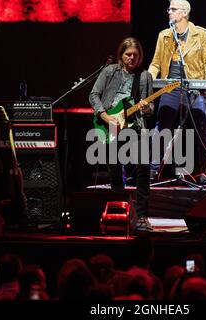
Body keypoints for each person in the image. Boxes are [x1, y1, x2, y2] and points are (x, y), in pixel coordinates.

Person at [148, 0, 206, 186]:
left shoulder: (200, 34)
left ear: (184, 13)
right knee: (161, 129)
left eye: (173, 9)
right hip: (170, 88)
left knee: (201, 129)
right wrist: (149, 80)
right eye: (169, 8)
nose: (168, 11)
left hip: (194, 89)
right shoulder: (164, 35)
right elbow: (155, 63)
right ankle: (152, 169)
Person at [89, 37, 154, 232]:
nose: (131, 58)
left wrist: (146, 108)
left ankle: (142, 216)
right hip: (111, 124)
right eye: (128, 54)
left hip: (136, 126)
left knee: (143, 169)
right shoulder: (109, 72)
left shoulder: (145, 77)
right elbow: (94, 94)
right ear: (121, 55)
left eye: (135, 55)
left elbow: (150, 106)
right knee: (115, 171)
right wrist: (105, 115)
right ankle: (120, 212)